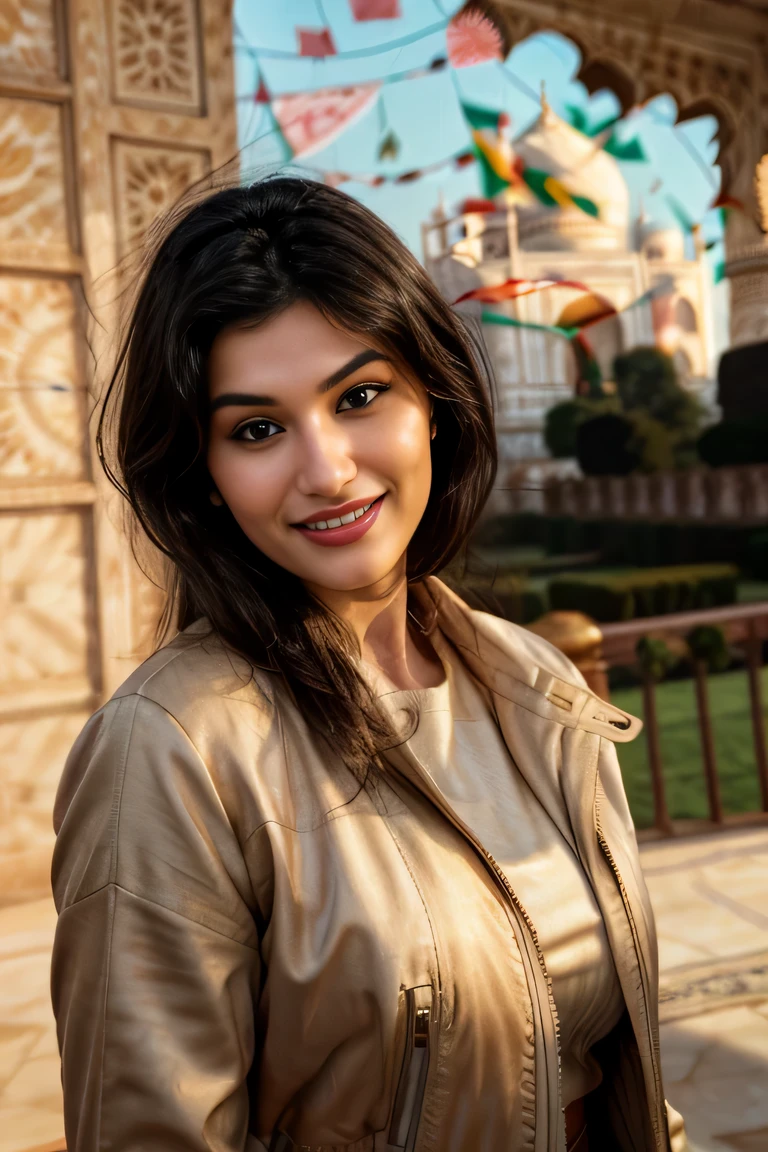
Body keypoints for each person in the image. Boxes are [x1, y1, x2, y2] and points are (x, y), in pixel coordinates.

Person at [50, 177, 687, 1152]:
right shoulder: (173, 753)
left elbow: (612, 1071)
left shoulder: (529, 683)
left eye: (359, 397)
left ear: (433, 399)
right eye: (258, 428)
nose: (328, 468)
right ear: (205, 475)